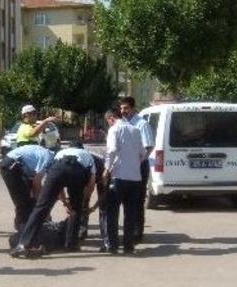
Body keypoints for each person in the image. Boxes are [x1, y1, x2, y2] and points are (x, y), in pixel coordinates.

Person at [11, 142, 96, 258]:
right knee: (76, 209)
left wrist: (64, 202)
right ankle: (71, 244)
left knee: (41, 207)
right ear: (82, 148)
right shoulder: (87, 155)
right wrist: (83, 202)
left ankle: (23, 244)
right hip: (77, 171)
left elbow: (58, 184)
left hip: (58, 169)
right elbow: (91, 183)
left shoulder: (60, 153)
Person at [104, 108, 145, 254]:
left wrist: (106, 170)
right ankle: (129, 245)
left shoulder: (114, 130)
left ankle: (113, 245)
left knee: (112, 212)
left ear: (111, 118)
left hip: (118, 176)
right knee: (130, 213)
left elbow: (111, 150)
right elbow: (143, 153)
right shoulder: (136, 130)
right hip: (135, 178)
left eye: (107, 121)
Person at [119, 97, 155, 242]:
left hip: (139, 167)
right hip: (125, 167)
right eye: (121, 108)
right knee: (127, 200)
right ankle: (129, 231)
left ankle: (137, 233)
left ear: (133, 108)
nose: (123, 111)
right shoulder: (122, 124)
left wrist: (138, 161)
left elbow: (149, 146)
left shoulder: (141, 124)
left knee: (137, 200)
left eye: (126, 108)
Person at [0, 144, 55, 231]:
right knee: (23, 199)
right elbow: (36, 184)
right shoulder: (47, 158)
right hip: (11, 165)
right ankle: (23, 229)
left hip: (20, 166)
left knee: (29, 199)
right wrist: (42, 206)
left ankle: (26, 225)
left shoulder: (49, 156)